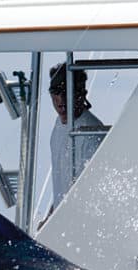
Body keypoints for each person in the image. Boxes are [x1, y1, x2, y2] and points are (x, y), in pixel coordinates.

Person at [48, 64, 106, 209]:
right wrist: (51, 215)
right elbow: (61, 183)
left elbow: (91, 192)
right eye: (56, 92)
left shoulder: (91, 134)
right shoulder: (58, 124)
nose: (61, 100)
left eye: (66, 92)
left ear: (81, 94)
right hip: (63, 217)